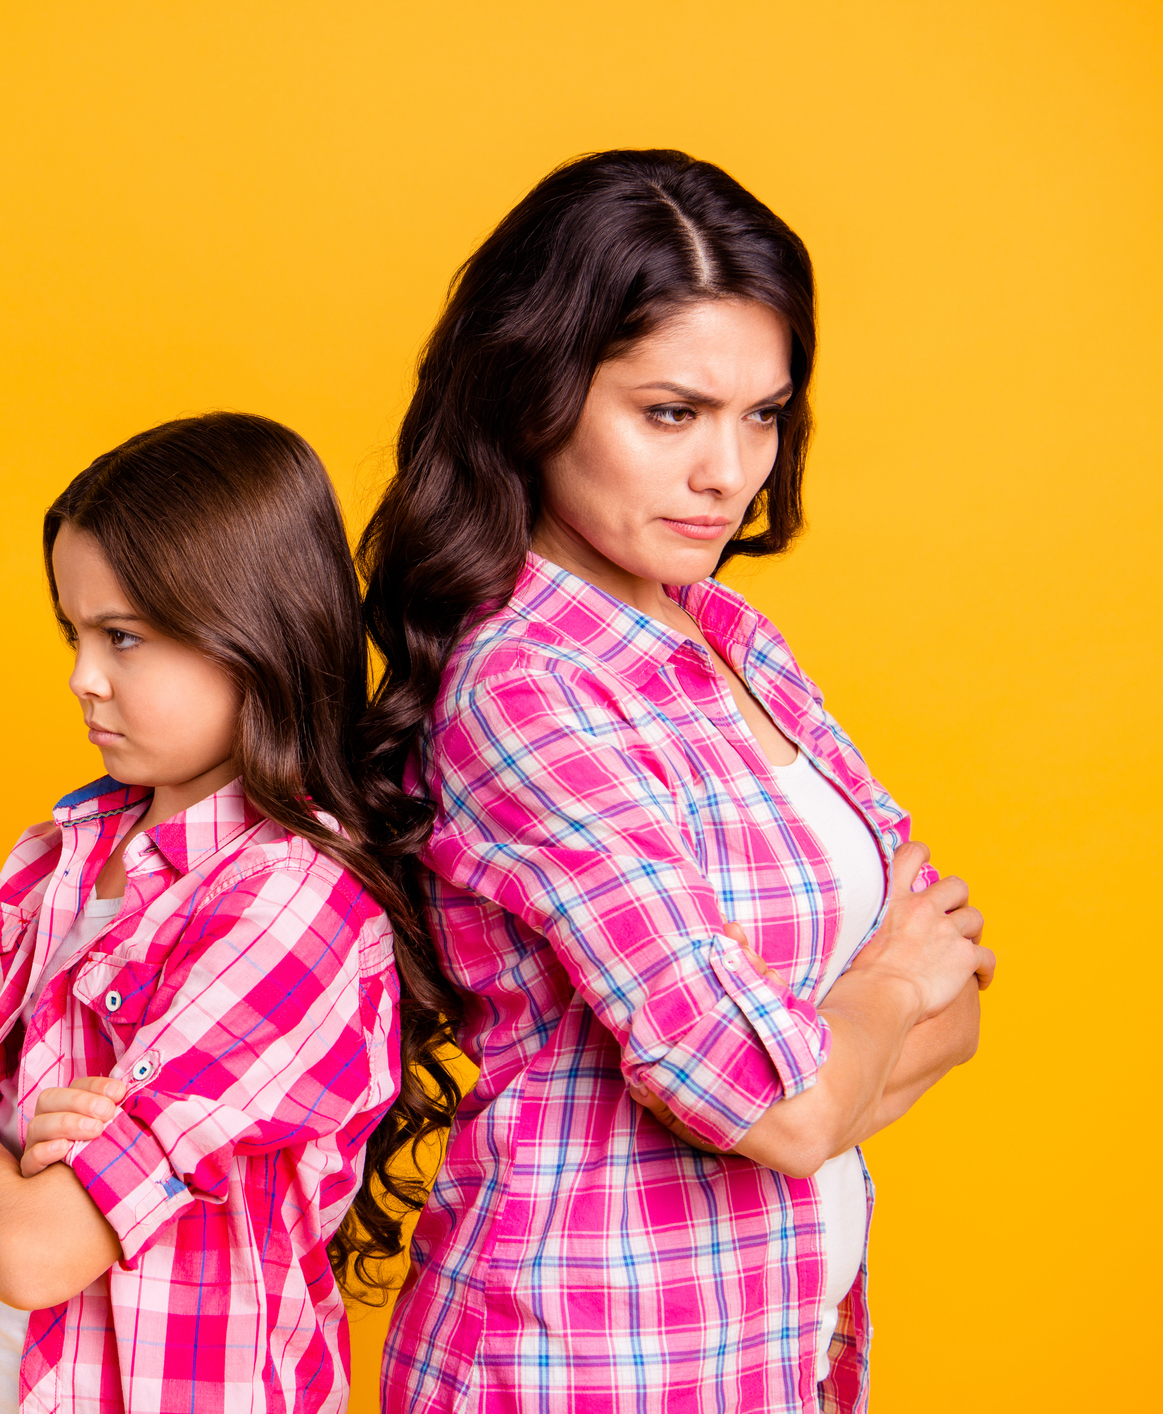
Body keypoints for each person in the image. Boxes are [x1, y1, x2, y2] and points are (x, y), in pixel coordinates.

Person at [357, 150, 997, 1413]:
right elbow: (782, 1112)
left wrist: (834, 1048)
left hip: (775, 1349)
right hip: (574, 1365)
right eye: (670, 412)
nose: (728, 471)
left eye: (761, 413)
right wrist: (874, 993)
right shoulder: (521, 686)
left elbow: (961, 996)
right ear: (531, 395)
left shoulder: (734, 639)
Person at [0, 412, 444, 1414]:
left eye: (123, 637)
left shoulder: (292, 902)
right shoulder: (54, 862)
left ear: (253, 634)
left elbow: (31, 1252)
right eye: (74, 633)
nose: (82, 677)